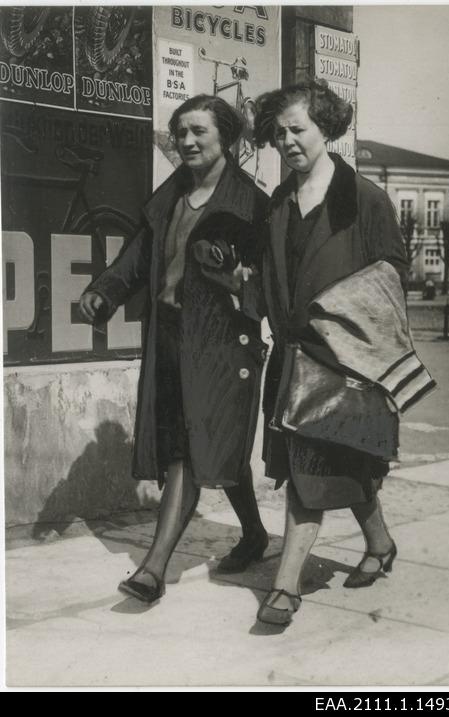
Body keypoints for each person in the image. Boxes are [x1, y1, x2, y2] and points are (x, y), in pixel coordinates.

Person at [238, 80, 428, 625]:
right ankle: (381, 544)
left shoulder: (364, 199)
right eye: (279, 134)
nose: (289, 141)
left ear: (327, 128)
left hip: (345, 362)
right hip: (293, 358)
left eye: (298, 128)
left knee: (310, 472)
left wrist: (339, 314)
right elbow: (268, 280)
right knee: (338, 464)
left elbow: (392, 274)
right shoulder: (278, 203)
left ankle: (285, 586)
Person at [79, 95, 270, 604]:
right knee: (214, 446)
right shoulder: (172, 196)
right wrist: (106, 290)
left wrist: (238, 283)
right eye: (180, 131)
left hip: (224, 346)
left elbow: (270, 288)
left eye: (198, 132)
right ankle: (254, 534)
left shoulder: (252, 205)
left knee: (188, 450)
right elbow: (137, 255)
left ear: (225, 137)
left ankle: (153, 568)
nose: (186, 141)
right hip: (169, 337)